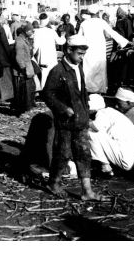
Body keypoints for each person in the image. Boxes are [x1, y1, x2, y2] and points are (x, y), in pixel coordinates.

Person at [43, 34, 101, 201]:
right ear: (69, 50)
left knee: (84, 153)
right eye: (79, 54)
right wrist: (63, 109)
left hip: (80, 119)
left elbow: (83, 94)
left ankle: (87, 191)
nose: (82, 57)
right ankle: (53, 182)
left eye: (84, 54)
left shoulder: (78, 67)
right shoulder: (58, 71)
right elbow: (48, 94)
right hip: (66, 122)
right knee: (63, 153)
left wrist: (87, 113)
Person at [88, 94, 134, 175]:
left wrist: (85, 120)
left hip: (128, 161)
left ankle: (105, 166)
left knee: (91, 133)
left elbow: (96, 127)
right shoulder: (113, 113)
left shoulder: (102, 113)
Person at [78, 8, 130, 93]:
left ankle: (88, 90)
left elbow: (79, 38)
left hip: (88, 50)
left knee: (88, 70)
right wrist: (125, 42)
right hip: (99, 50)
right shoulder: (101, 22)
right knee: (100, 70)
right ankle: (100, 91)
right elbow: (113, 33)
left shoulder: (84, 23)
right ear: (98, 12)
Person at [33, 13, 66, 91]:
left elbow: (35, 47)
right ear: (47, 21)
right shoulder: (52, 31)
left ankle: (44, 94)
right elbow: (61, 42)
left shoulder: (36, 32)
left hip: (43, 59)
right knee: (53, 77)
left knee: (44, 77)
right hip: (52, 59)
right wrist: (63, 35)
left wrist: (32, 55)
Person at [13, 24, 36, 115]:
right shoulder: (20, 41)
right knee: (23, 91)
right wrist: (23, 69)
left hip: (26, 68)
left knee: (27, 90)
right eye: (31, 30)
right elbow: (19, 58)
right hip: (23, 70)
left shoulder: (23, 39)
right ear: (26, 31)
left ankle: (25, 108)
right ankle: (21, 110)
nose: (32, 32)